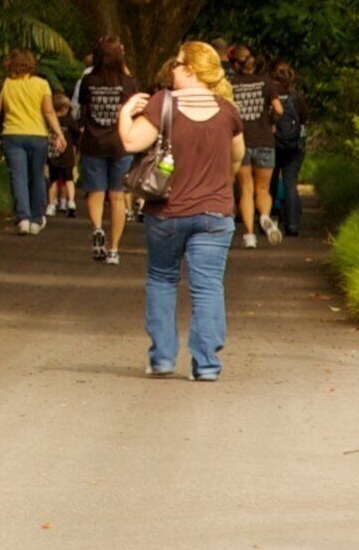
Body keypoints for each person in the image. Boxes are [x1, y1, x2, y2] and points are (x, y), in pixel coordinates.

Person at [116, 40, 245, 380]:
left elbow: (131, 142)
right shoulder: (227, 110)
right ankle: (206, 365)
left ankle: (162, 358)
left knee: (162, 279)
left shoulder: (163, 104)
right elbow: (237, 156)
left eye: (176, 63)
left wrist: (124, 114)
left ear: (190, 69)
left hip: (168, 212)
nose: (171, 69)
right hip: (215, 214)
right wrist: (219, 184)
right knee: (207, 286)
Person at [72, 39, 138, 264]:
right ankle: (114, 249)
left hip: (93, 143)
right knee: (118, 197)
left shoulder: (88, 81)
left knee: (96, 192)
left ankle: (98, 228)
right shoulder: (127, 82)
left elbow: (83, 107)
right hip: (120, 144)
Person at [0, 48, 61, 235]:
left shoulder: (7, 84)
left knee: (18, 176)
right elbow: (48, 111)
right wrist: (59, 133)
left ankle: (23, 217)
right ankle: (37, 219)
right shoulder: (41, 84)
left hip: (12, 134)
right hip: (38, 135)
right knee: (37, 175)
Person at [222, 42, 273, 248]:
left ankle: (250, 234)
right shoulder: (266, 82)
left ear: (234, 65)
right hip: (265, 140)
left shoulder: (230, 85)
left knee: (245, 189)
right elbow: (278, 108)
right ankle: (265, 216)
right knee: (263, 189)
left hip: (241, 140)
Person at [265, 56, 308, 238]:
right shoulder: (296, 97)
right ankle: (292, 225)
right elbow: (304, 119)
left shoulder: (268, 95)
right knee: (291, 183)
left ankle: (268, 221)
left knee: (269, 184)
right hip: (294, 146)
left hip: (272, 144)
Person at [48, 80, 81, 223]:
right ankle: (71, 202)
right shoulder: (69, 120)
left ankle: (51, 204)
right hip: (67, 154)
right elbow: (76, 135)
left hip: (53, 154)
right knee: (69, 180)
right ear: (64, 108)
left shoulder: (50, 120)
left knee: (53, 180)